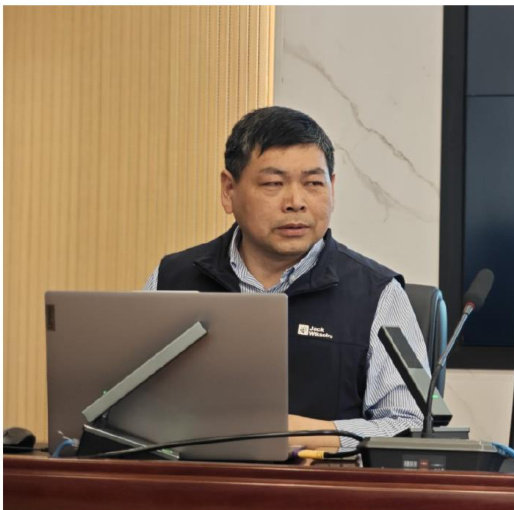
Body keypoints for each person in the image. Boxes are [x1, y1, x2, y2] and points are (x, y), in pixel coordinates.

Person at [144, 106, 430, 450]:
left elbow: (411, 425)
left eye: (313, 184)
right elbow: (126, 408)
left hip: (324, 482)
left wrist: (312, 435)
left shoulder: (378, 293)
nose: (296, 202)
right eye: (273, 184)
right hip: (194, 478)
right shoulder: (171, 279)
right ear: (229, 190)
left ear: (332, 187)